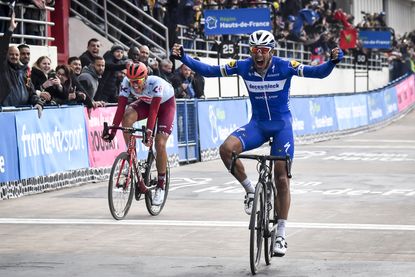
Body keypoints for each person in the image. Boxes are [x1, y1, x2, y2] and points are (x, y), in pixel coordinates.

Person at [171, 30, 343, 257]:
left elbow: (316, 73)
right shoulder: (244, 66)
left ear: (271, 51)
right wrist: (185, 57)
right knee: (226, 149)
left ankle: (281, 233)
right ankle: (251, 191)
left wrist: (331, 62)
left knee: (281, 178)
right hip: (258, 125)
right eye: (254, 50)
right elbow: (211, 71)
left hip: (281, 126)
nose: (258, 55)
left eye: (263, 51)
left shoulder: (285, 66)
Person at [101, 62, 176, 206]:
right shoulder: (126, 82)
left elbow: (154, 111)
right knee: (127, 116)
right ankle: (131, 156)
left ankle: (160, 185)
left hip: (165, 106)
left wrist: (149, 132)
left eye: (137, 81)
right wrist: (113, 131)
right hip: (146, 103)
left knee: (159, 143)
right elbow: (121, 108)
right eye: (131, 81)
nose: (134, 85)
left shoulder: (156, 83)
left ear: (145, 78)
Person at [0, 10, 42, 111]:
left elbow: (31, 92)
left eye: (16, 54)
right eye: (11, 54)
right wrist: (10, 30)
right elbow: (2, 49)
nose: (14, 56)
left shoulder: (25, 72)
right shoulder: (3, 68)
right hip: (6, 112)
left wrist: (38, 103)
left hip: (23, 113)